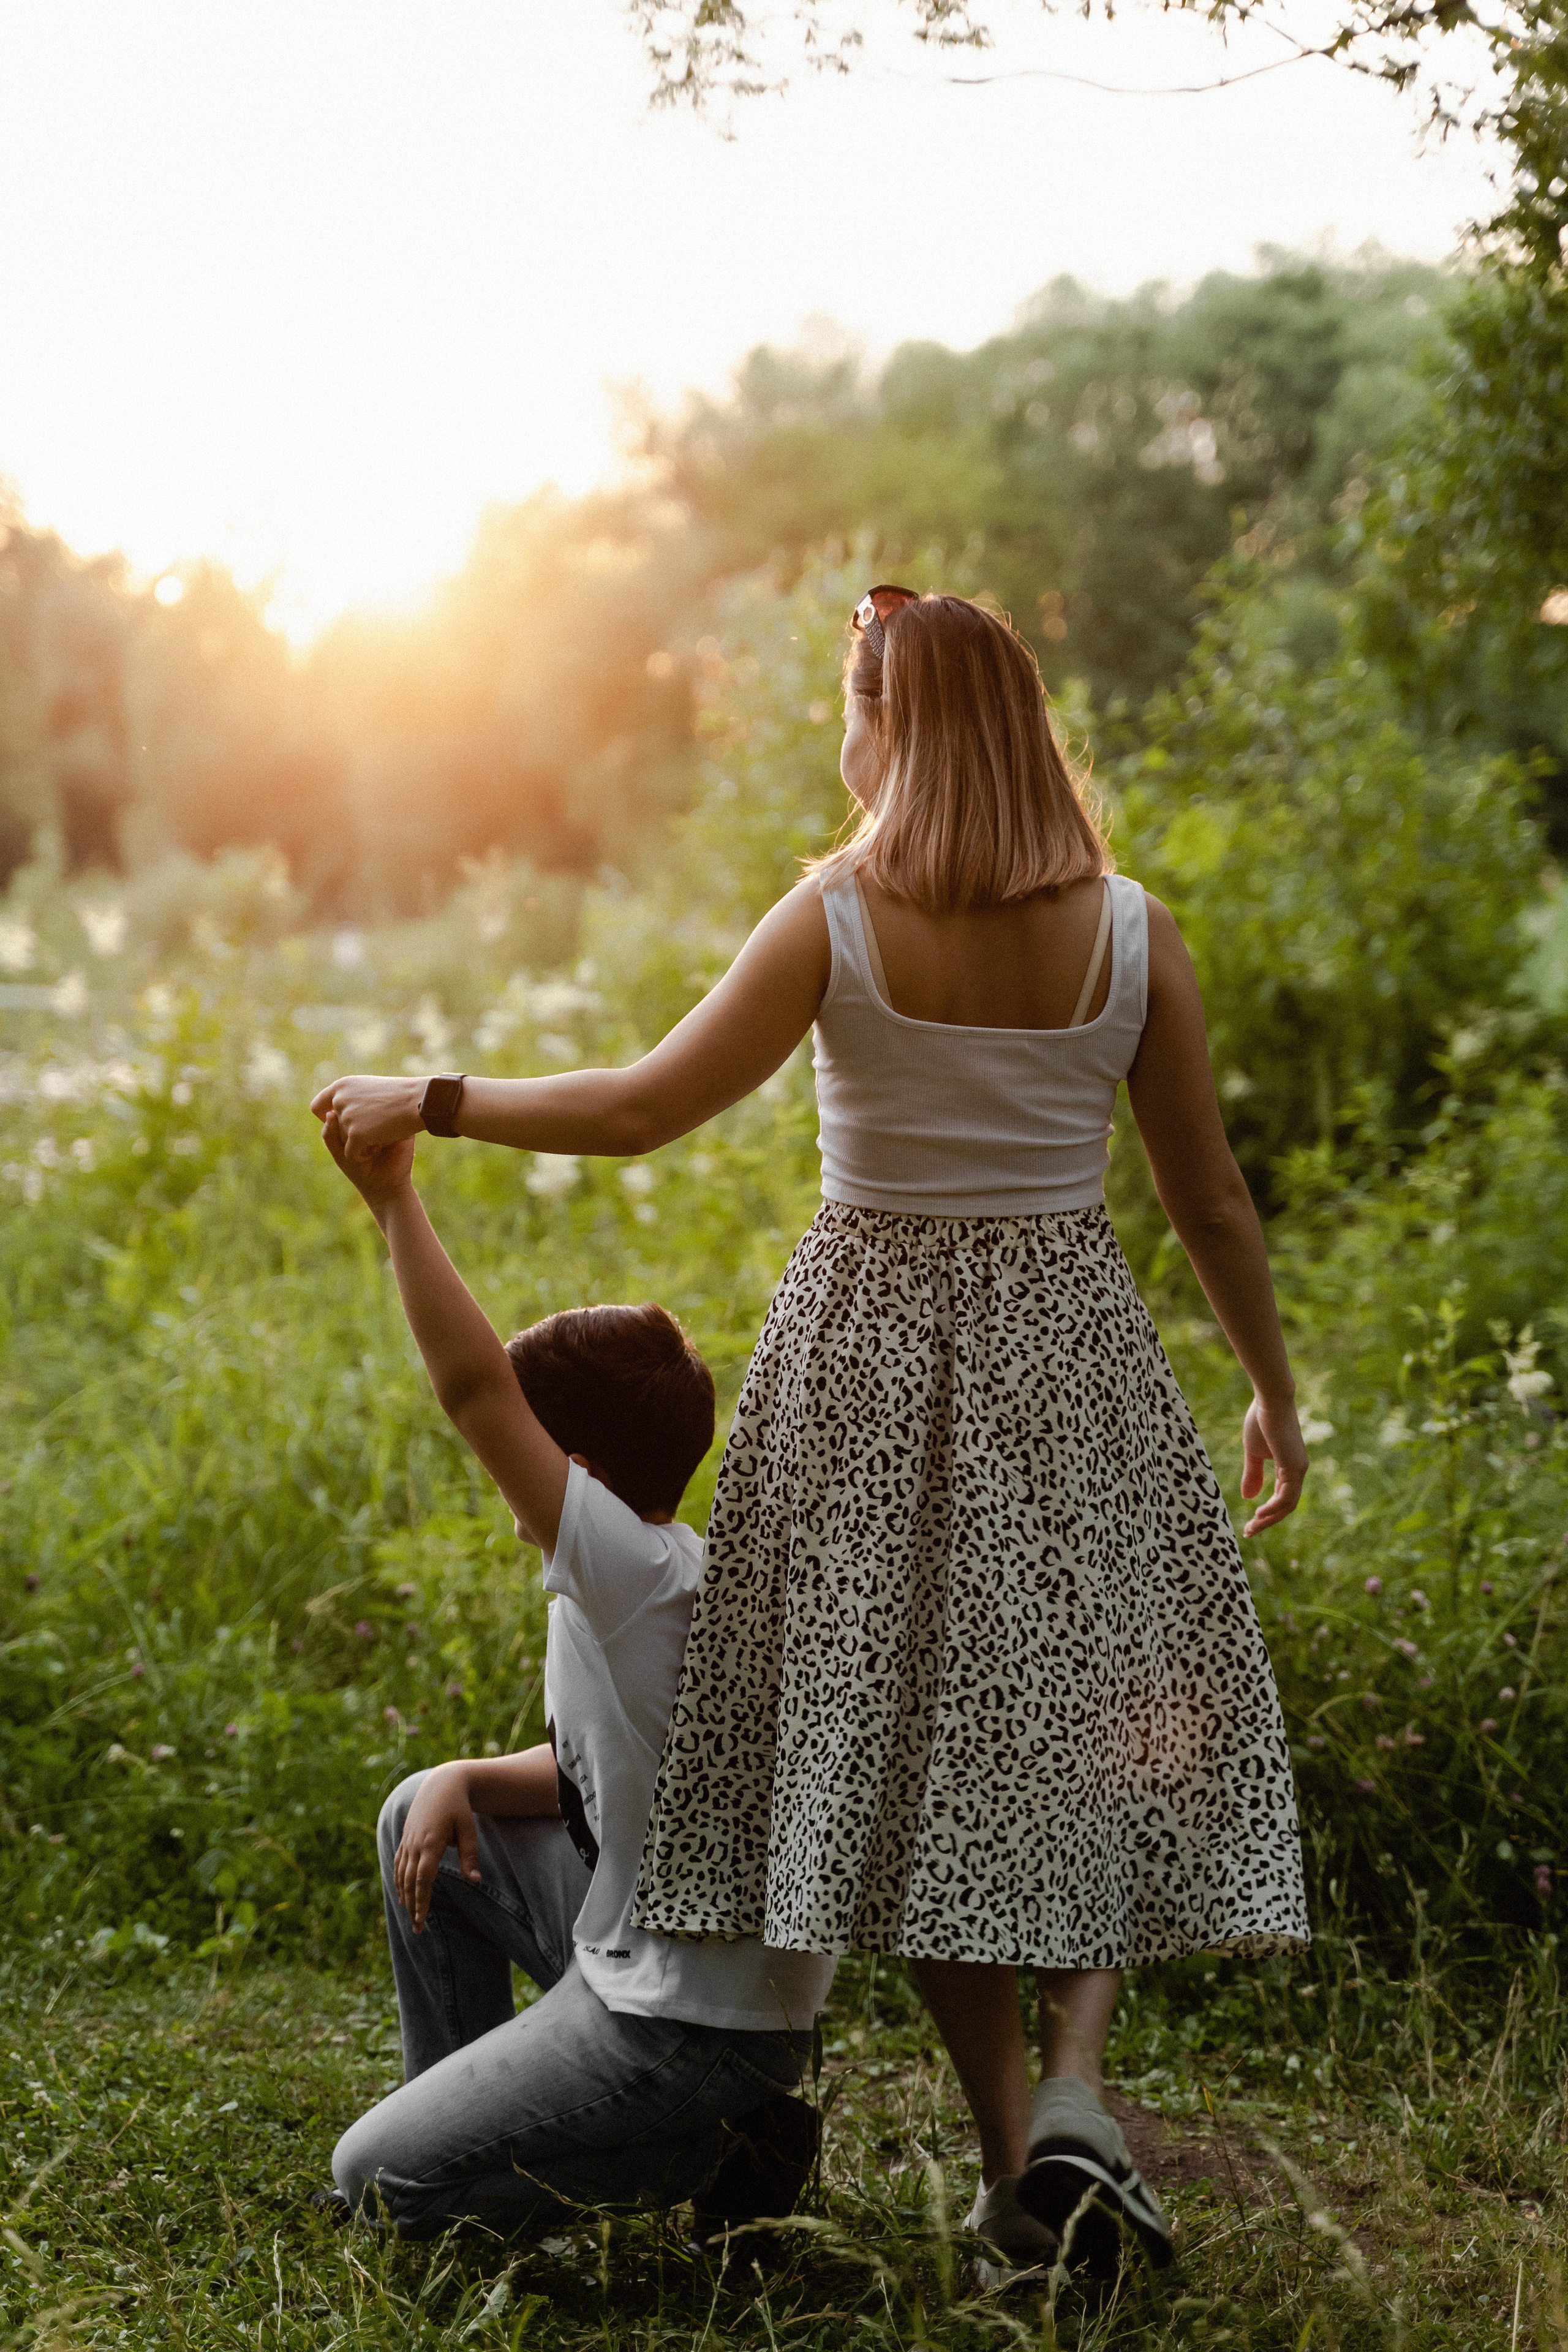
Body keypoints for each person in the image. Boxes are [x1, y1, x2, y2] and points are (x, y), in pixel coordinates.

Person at [313, 585, 1310, 2278]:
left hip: (868, 1372)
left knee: (923, 1770)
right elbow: (1207, 1194)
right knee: (1090, 1725)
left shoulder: (837, 915)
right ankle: (1073, 2094)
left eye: (848, 709)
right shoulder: (1135, 933)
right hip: (1067, 1355)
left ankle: (1012, 2170)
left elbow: (643, 1107)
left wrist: (439, 1102)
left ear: (887, 727)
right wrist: (1273, 1389)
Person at [317, 1112, 834, 2240]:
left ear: (581, 1474)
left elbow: (472, 1388)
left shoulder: (628, 1573)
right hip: (661, 1964)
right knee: (420, 1806)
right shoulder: (668, 1576)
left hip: (691, 2026)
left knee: (379, 2184)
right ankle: (453, 2113)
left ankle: (720, 2151)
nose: (505, 1463)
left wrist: (394, 1201)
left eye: (530, 1449)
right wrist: (463, 1775)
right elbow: (606, 1770)